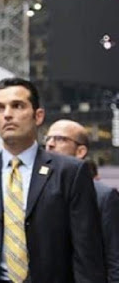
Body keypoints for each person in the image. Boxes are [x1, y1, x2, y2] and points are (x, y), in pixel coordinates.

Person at [0, 78, 105, 283]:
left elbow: (87, 253)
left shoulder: (70, 172)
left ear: (38, 115)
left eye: (17, 106)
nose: (7, 114)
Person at [46, 119, 119, 282]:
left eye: (60, 139)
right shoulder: (36, 192)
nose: (50, 144)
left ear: (80, 151)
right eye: (47, 139)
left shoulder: (104, 196)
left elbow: (115, 258)